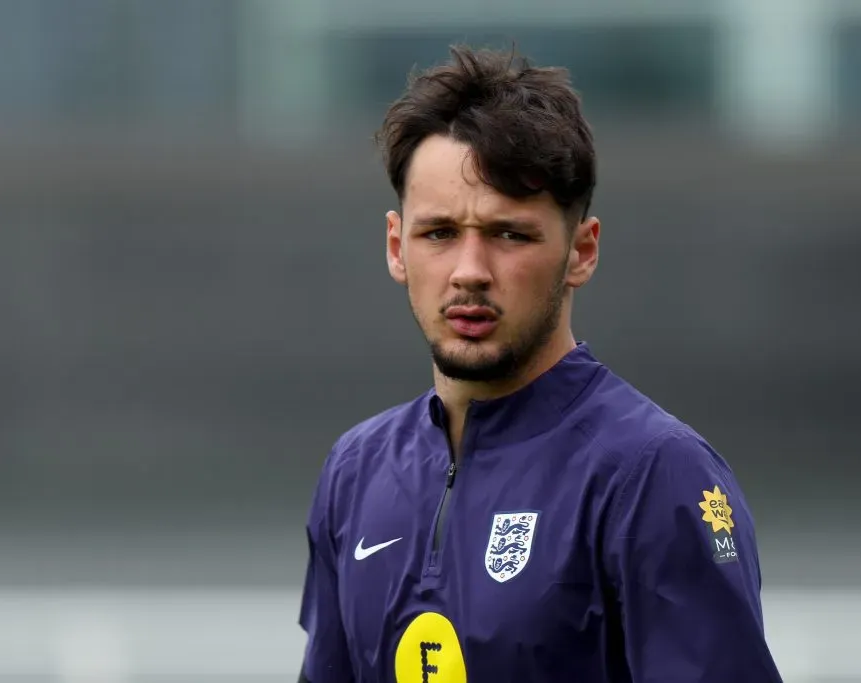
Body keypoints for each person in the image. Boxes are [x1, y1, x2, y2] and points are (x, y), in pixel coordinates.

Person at [297, 45, 783, 683]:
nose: (469, 272)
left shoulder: (654, 474)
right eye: (439, 233)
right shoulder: (355, 472)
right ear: (396, 247)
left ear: (581, 252)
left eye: (509, 234)